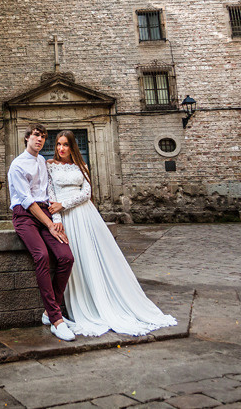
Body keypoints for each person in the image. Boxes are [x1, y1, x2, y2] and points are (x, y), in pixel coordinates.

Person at [47, 130, 177, 336]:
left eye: (65, 145)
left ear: (72, 147)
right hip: (67, 219)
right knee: (77, 259)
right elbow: (50, 195)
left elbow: (86, 194)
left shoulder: (82, 166)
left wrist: (63, 204)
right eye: (58, 144)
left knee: (94, 256)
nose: (61, 148)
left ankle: (106, 300)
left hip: (85, 215)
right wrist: (57, 218)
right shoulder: (49, 166)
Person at [8, 123, 76, 341]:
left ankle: (49, 311)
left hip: (45, 213)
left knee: (66, 257)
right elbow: (28, 202)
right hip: (25, 216)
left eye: (43, 137)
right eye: (36, 136)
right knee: (42, 256)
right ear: (27, 138)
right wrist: (48, 224)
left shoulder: (42, 162)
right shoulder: (17, 166)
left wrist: (54, 220)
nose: (40, 140)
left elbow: (48, 193)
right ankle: (57, 321)